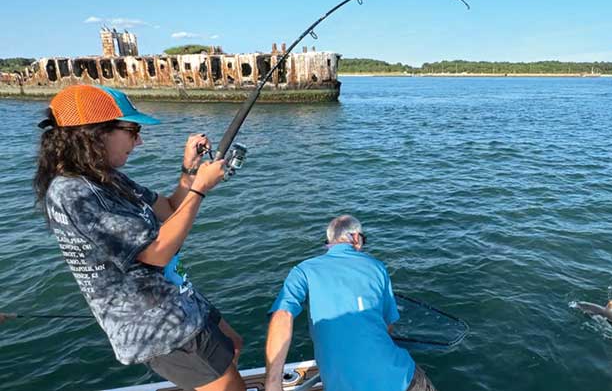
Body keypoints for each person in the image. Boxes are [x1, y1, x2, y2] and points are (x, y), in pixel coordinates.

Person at [34, 84, 246, 391]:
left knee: (233, 344)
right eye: (132, 130)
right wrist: (200, 188)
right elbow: (156, 252)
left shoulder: (108, 178)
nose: (140, 140)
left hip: (177, 296)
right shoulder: (73, 191)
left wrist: (190, 169)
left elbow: (171, 208)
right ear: (95, 132)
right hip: (159, 325)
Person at [265, 215, 436, 391]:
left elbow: (283, 314)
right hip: (402, 380)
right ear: (356, 238)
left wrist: (272, 384)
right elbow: (388, 326)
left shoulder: (302, 271)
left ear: (330, 240)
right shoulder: (377, 266)